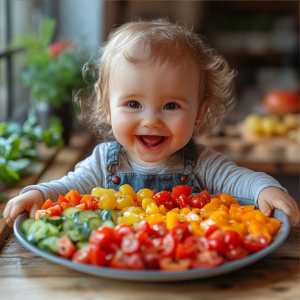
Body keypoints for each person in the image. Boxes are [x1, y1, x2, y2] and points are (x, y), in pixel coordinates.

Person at [3, 18, 299, 228]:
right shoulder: (103, 162)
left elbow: (241, 180)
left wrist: (267, 190)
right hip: (119, 261)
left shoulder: (202, 163)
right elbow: (67, 186)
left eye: (171, 105)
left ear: (198, 113)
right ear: (107, 107)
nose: (151, 120)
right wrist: (38, 193)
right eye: (133, 104)